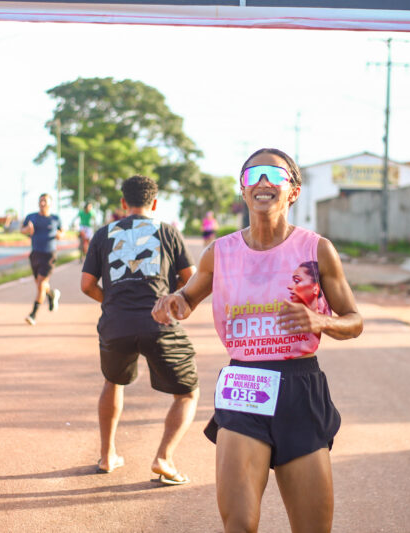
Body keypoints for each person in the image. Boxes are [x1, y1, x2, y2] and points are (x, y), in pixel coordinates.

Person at [152, 148, 363, 532]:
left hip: (301, 387)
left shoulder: (316, 250)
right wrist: (174, 303)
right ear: (244, 190)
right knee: (240, 525)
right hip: (245, 385)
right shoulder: (220, 252)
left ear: (293, 191)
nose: (263, 182)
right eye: (253, 175)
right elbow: (188, 298)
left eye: (274, 175)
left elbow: (354, 321)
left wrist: (320, 320)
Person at [81, 175, 199, 484]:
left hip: (115, 323)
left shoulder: (103, 233)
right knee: (187, 393)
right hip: (158, 321)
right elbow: (191, 278)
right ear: (155, 203)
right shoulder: (168, 232)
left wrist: (114, 302)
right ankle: (164, 458)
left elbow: (86, 285)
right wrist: (171, 300)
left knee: (112, 381)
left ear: (123, 204)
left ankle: (108, 456)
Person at [21, 193, 63, 325]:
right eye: (41, 201)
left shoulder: (55, 218)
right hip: (35, 254)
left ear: (50, 203)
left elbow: (62, 232)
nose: (42, 203)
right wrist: (27, 229)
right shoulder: (31, 217)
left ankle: (33, 314)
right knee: (41, 285)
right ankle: (51, 294)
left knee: (40, 285)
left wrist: (59, 235)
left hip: (49, 255)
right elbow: (22, 230)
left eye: (45, 201)